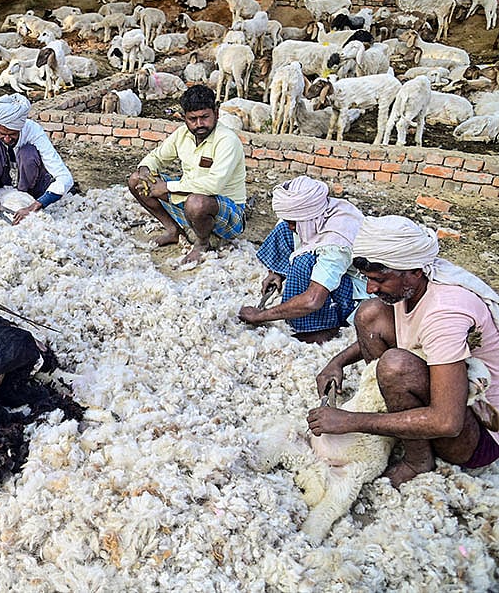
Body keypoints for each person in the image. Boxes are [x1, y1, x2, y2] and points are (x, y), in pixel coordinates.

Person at [308, 215, 499, 486]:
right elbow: (396, 327)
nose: (371, 288)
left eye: (380, 280)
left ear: (415, 271)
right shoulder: (411, 285)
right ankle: (401, 420)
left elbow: (448, 422)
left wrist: (351, 421)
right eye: (368, 279)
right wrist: (337, 362)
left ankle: (418, 459)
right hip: (447, 393)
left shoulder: (445, 313)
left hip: (479, 435)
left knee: (395, 366)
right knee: (370, 313)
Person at [238, 176, 367, 344]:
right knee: (285, 229)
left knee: (304, 262)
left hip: (356, 294)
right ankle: (281, 272)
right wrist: (276, 272)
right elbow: (291, 225)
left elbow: (313, 300)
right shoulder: (314, 211)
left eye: (294, 221)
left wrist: (261, 316)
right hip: (333, 266)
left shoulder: (336, 242)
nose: (292, 225)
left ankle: (320, 328)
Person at [127, 84, 247, 263]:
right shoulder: (182, 134)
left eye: (204, 117)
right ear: (184, 118)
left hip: (227, 212)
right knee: (136, 180)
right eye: (193, 119)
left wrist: (166, 187)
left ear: (216, 112)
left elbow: (213, 185)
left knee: (197, 202)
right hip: (189, 198)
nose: (199, 124)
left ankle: (202, 244)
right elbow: (157, 157)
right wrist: (145, 169)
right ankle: (174, 231)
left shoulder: (227, 140)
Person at [0, 93, 74, 225]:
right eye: (2, 134)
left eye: (12, 134)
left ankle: (29, 196)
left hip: (33, 188)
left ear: (20, 128)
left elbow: (65, 177)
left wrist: (34, 206)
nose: (7, 139)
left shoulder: (33, 131)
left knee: (28, 153)